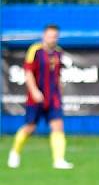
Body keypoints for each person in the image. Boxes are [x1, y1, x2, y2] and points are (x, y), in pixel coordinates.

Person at [7, 24, 73, 170]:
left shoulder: (59, 53)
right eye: (50, 36)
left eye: (55, 36)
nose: (52, 39)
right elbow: (28, 72)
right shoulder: (35, 51)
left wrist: (60, 89)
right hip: (36, 97)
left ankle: (59, 160)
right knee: (30, 127)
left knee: (58, 126)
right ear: (44, 36)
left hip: (53, 97)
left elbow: (58, 75)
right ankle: (14, 153)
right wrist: (35, 91)